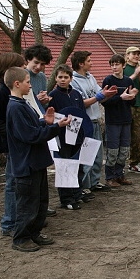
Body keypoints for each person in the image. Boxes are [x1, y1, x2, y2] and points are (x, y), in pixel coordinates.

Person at [4, 66, 71, 252]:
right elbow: (30, 135)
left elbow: (33, 127)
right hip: (27, 164)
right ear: (17, 84)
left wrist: (45, 122)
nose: (30, 85)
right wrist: (56, 127)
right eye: (27, 82)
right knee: (28, 204)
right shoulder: (15, 107)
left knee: (41, 201)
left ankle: (34, 233)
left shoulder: (23, 104)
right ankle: (21, 238)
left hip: (37, 162)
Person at [0, 52, 27, 237]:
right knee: (12, 183)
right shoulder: (0, 93)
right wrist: (15, 132)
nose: (25, 67)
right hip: (12, 145)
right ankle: (9, 223)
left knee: (20, 183)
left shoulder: (11, 90)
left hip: (19, 144)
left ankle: (20, 218)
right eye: (21, 65)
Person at [70, 51, 117, 194]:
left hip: (96, 119)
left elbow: (100, 95)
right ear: (81, 63)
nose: (92, 63)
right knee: (86, 155)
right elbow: (80, 103)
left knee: (97, 154)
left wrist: (108, 95)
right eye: (89, 61)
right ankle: (84, 185)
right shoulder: (73, 81)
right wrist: (99, 96)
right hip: (85, 122)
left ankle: (95, 182)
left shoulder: (91, 77)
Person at [47, 64, 89, 209]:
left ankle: (77, 193)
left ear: (71, 78)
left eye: (66, 77)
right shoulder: (52, 96)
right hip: (62, 137)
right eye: (60, 77)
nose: (63, 80)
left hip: (77, 135)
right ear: (56, 78)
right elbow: (50, 117)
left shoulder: (76, 94)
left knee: (78, 165)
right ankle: (66, 199)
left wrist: (84, 134)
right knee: (64, 166)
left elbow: (82, 114)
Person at [24, 44, 56, 217]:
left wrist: (45, 101)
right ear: (28, 60)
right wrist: (36, 100)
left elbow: (41, 103)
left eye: (42, 64)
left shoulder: (42, 77)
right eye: (36, 63)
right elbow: (23, 101)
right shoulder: (22, 75)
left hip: (41, 122)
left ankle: (40, 206)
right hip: (29, 125)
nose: (38, 67)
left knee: (42, 169)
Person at [101, 54, 139, 187]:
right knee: (112, 150)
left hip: (126, 119)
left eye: (117, 64)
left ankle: (120, 174)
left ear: (123, 65)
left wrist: (132, 96)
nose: (114, 67)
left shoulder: (128, 81)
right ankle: (109, 177)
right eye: (112, 64)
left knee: (124, 150)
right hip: (113, 120)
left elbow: (132, 101)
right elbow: (104, 102)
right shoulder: (108, 80)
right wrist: (120, 98)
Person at [123, 46, 140, 174]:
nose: (136, 56)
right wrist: (136, 73)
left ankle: (135, 162)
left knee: (137, 135)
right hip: (126, 105)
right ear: (127, 55)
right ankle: (121, 162)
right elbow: (125, 82)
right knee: (124, 135)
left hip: (138, 104)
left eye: (138, 54)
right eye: (134, 54)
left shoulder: (139, 68)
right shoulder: (123, 68)